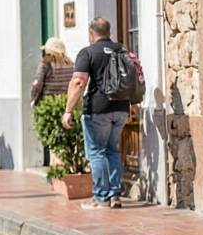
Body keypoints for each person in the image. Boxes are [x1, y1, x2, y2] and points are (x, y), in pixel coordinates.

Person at [63, 17, 132, 209]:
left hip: (98, 109)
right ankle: (115, 195)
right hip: (121, 109)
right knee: (112, 150)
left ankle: (101, 197)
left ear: (90, 32)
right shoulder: (121, 50)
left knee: (96, 152)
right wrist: (132, 105)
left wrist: (68, 110)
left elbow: (78, 82)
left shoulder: (87, 52)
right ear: (109, 31)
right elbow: (131, 78)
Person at [31, 37, 75, 106]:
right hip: (66, 103)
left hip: (48, 104)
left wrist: (34, 98)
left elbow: (37, 84)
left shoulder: (46, 63)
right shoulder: (71, 64)